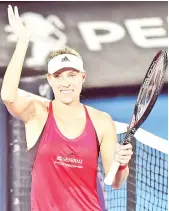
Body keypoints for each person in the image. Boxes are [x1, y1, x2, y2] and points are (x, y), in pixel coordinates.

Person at [1, 5, 133, 211]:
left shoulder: (102, 121)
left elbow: (115, 182)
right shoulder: (37, 112)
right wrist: (23, 42)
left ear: (82, 78)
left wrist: (122, 163)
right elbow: (8, 95)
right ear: (50, 80)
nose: (66, 82)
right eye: (59, 76)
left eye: (72, 75)